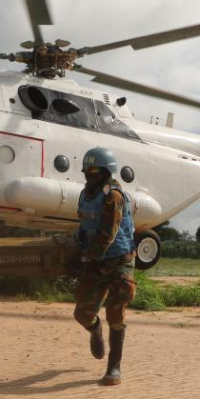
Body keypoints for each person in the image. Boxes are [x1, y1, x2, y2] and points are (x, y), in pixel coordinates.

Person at [73, 147, 137, 386]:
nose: (88, 174)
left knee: (116, 310)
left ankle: (114, 367)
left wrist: (89, 255)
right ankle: (95, 330)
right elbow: (85, 224)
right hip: (94, 260)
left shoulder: (114, 196)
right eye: (85, 170)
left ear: (105, 171)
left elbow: (108, 232)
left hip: (119, 259)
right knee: (82, 313)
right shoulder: (85, 193)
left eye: (93, 170)